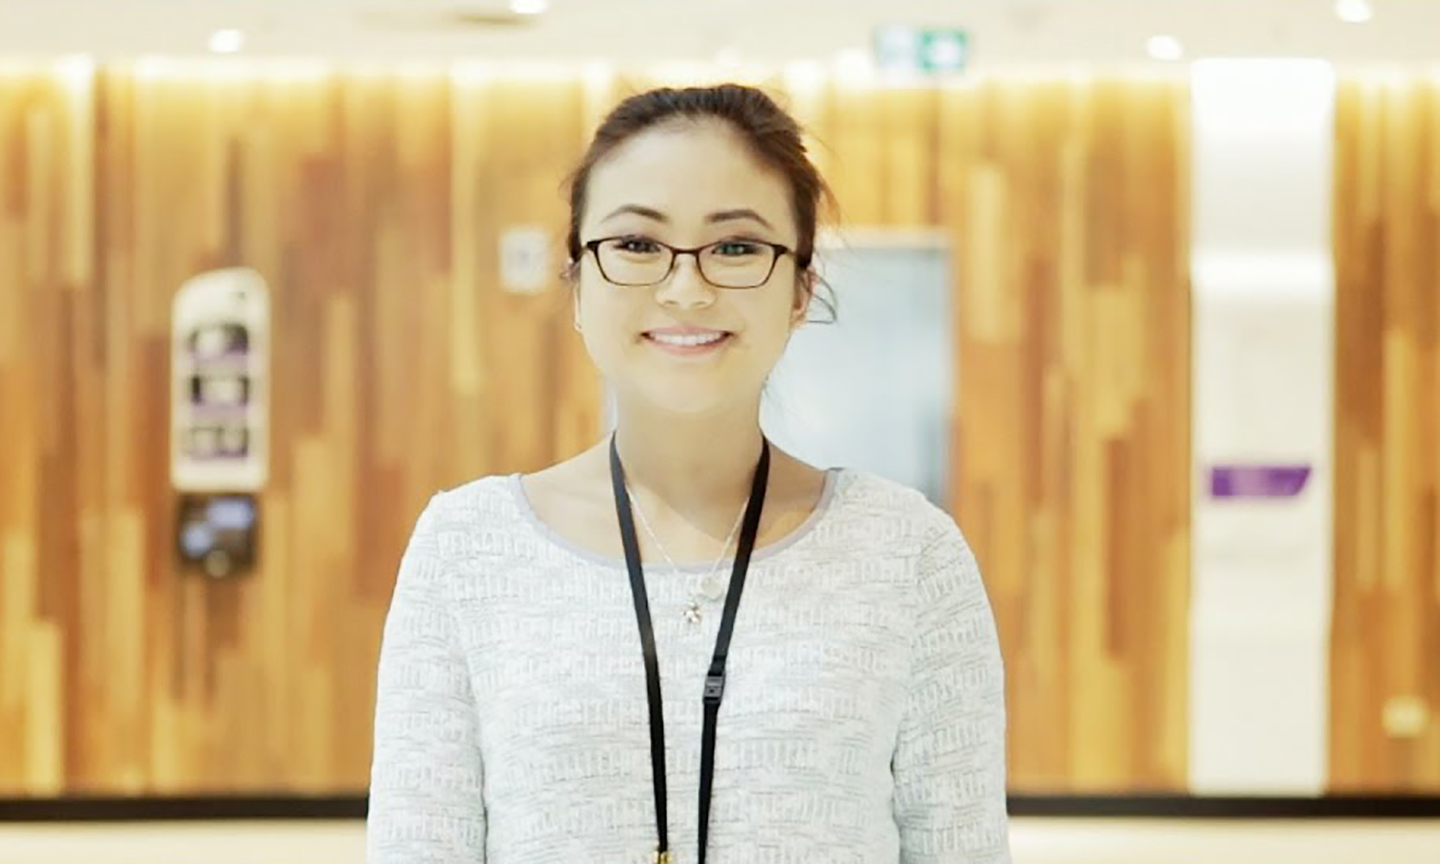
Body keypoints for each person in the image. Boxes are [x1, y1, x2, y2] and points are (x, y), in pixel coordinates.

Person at [365, 83, 1012, 864]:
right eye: (636, 244)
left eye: (736, 247)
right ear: (577, 281)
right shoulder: (466, 549)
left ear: (801, 288)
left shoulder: (908, 553)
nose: (685, 288)